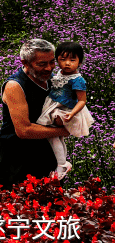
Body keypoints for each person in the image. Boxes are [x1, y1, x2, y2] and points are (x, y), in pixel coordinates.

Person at [0, 39, 69, 188]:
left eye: (52, 62)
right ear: (25, 63)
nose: (49, 68)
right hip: (16, 161)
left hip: (47, 157)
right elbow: (24, 130)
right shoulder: (15, 86)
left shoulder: (53, 82)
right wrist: (63, 131)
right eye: (41, 64)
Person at [36, 41, 94, 179]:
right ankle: (62, 163)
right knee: (56, 136)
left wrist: (72, 113)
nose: (67, 63)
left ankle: (61, 164)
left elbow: (82, 100)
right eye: (63, 59)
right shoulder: (61, 73)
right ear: (57, 61)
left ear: (80, 62)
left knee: (52, 134)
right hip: (55, 106)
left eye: (72, 60)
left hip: (66, 110)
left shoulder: (77, 80)